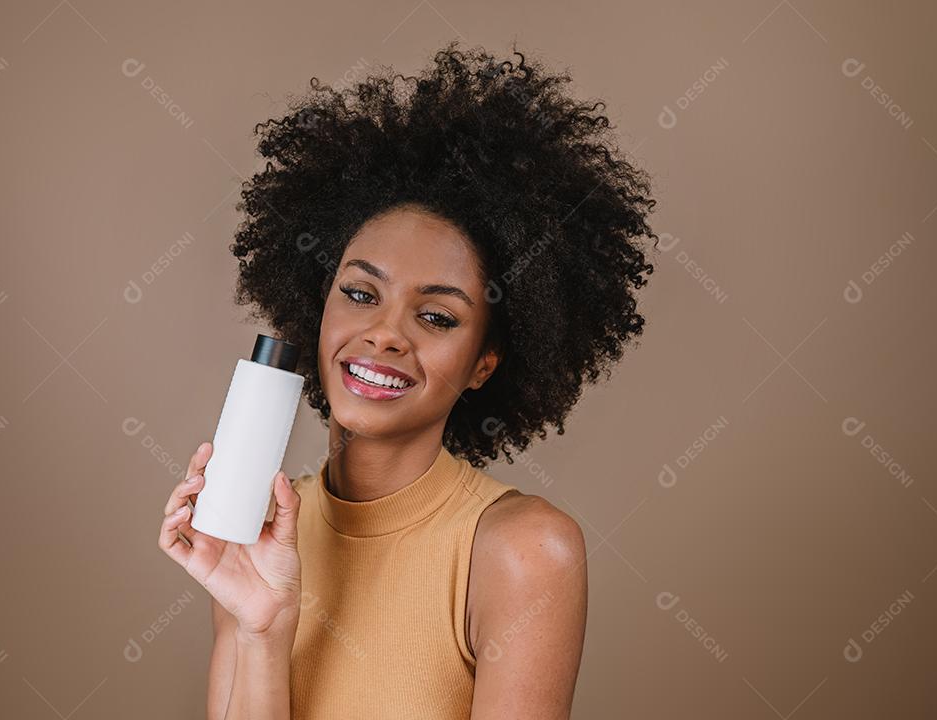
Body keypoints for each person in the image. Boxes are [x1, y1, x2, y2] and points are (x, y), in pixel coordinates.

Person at [159, 40, 657, 720]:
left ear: (486, 361)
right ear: (317, 307)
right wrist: (261, 628)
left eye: (436, 315)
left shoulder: (524, 551)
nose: (388, 333)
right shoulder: (251, 536)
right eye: (361, 295)